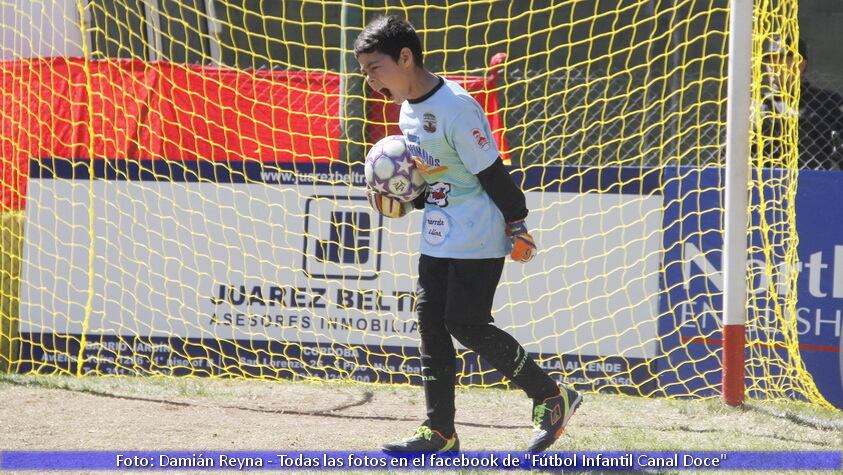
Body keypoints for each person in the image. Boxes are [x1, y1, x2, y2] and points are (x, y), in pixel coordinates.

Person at [354, 15, 582, 453]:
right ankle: (440, 432)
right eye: (364, 71)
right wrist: (402, 195)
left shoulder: (457, 108)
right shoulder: (407, 111)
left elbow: (492, 174)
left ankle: (552, 398)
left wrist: (517, 223)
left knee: (466, 323)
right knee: (430, 325)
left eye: (374, 68)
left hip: (478, 231)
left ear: (405, 58)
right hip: (438, 232)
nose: (370, 80)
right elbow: (436, 179)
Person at [761, 38, 843, 169]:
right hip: (769, 183)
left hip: (819, 182)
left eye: (782, 60)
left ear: (801, 64)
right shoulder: (759, 104)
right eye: (771, 60)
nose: (773, 66)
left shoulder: (828, 102)